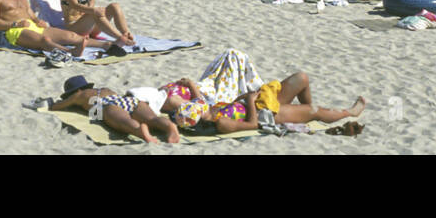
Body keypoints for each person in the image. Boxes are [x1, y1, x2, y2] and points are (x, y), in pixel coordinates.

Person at [199, 73, 365, 134]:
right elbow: (252, 125)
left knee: (302, 78)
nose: (200, 108)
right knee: (313, 110)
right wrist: (250, 101)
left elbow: (233, 105)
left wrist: (246, 97)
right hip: (266, 115)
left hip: (261, 102)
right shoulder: (221, 122)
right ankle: (350, 112)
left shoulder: (211, 111)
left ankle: (309, 115)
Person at [49, 76, 181, 144]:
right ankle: (170, 127)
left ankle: (138, 130)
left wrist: (57, 104)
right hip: (130, 100)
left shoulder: (79, 95)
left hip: (108, 105)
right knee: (153, 118)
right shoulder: (105, 89)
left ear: (76, 90)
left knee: (123, 121)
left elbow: (58, 106)